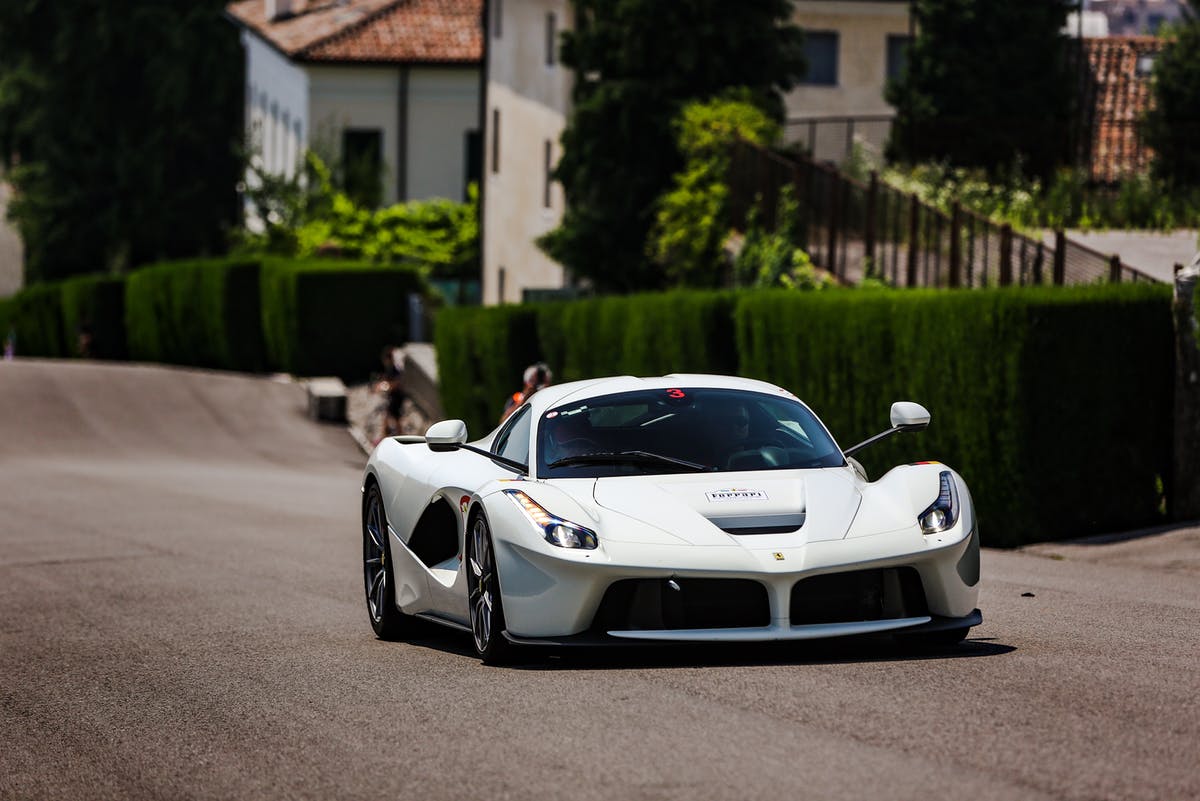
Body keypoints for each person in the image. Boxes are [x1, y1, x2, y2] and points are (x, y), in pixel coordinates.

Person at [375, 345, 407, 438]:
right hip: (394, 396)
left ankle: (394, 436)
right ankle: (384, 436)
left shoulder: (395, 369)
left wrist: (387, 386)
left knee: (395, 418)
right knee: (389, 416)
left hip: (397, 396)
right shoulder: (390, 369)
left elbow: (397, 382)